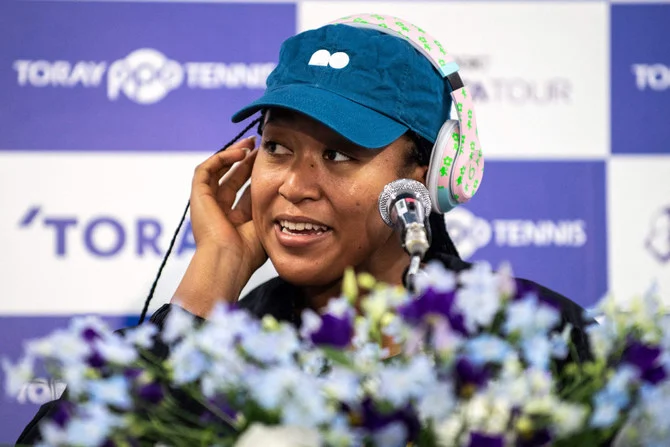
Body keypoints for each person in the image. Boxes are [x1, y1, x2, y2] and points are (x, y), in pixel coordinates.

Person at [16, 15, 593, 444]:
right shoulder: (223, 344)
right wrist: (206, 287)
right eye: (277, 148)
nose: (296, 183)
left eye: (340, 154)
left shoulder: (537, 338)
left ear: (429, 173)